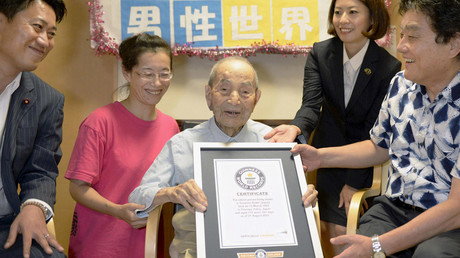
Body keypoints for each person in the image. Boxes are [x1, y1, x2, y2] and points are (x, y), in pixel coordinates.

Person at [292, 0, 460, 257]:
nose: (401, 46)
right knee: (351, 245)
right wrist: (319, 157)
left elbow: (456, 208)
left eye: (412, 36)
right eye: (402, 34)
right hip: (394, 209)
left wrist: (377, 245)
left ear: (453, 44)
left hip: (449, 222)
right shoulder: (401, 85)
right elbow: (378, 147)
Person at [129, 56, 318, 258]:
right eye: (224, 90)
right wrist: (171, 193)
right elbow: (138, 199)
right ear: (208, 95)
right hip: (198, 249)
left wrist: (303, 198)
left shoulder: (274, 143)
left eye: (245, 91)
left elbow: (291, 207)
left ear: (256, 98)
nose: (234, 99)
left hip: (261, 249)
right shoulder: (182, 144)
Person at [264, 0, 401, 255]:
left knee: (344, 232)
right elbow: (311, 105)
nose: (342, 20)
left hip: (362, 161)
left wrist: (353, 183)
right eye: (338, 12)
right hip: (325, 156)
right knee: (321, 230)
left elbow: (374, 132)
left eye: (352, 12)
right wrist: (296, 128)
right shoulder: (320, 53)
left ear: (372, 19)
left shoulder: (388, 67)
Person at [64, 33, 180, 258]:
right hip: (100, 244)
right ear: (127, 73)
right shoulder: (100, 122)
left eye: (164, 74)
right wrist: (118, 211)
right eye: (147, 74)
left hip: (148, 244)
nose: (157, 83)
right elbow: (78, 188)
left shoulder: (170, 127)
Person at [0, 0, 67, 257]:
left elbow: (40, 170)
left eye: (51, 34)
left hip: (6, 226)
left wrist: (34, 206)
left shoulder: (48, 100)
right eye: (37, 27)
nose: (45, 41)